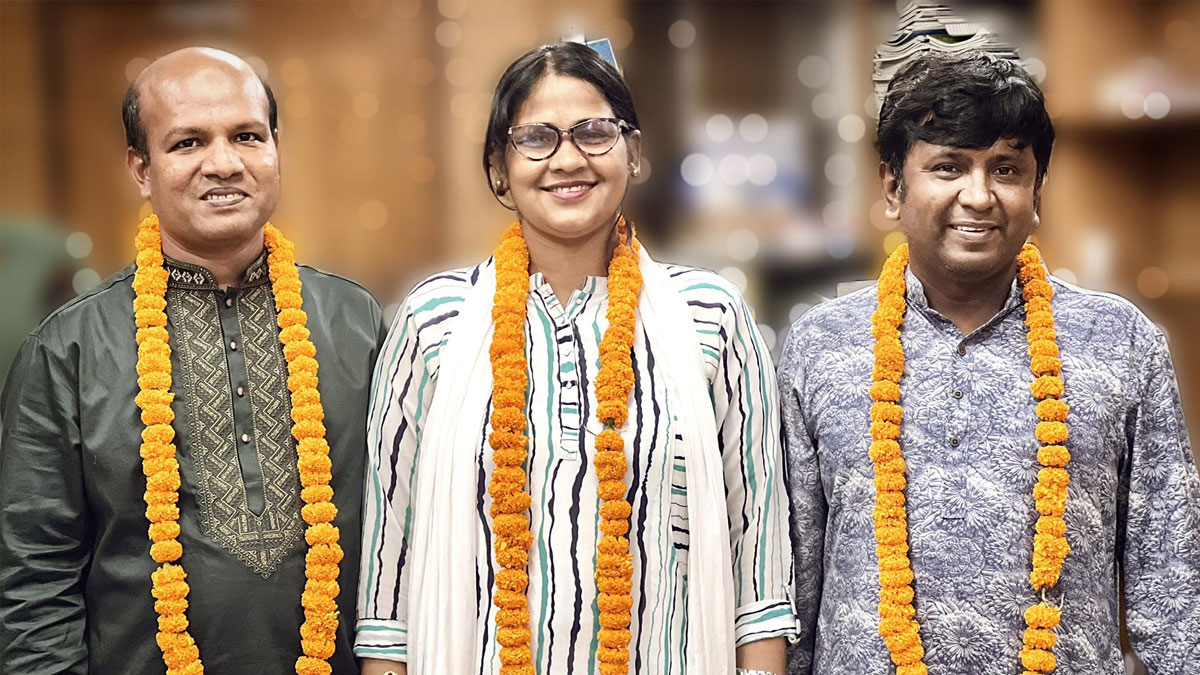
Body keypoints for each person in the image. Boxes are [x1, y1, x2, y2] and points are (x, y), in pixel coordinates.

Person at [355, 41, 795, 675]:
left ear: (633, 153)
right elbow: (387, 574)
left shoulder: (712, 316)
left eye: (594, 132)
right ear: (499, 166)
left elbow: (758, 559)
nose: (568, 159)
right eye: (536, 138)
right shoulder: (432, 323)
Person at [779, 51, 1200, 674]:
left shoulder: (1119, 340)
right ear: (893, 187)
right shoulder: (821, 345)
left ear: (1037, 191)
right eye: (948, 167)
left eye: (1006, 169)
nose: (978, 196)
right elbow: (792, 581)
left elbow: (1172, 583)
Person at [0, 47, 385, 675]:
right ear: (142, 169)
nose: (224, 163)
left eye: (247, 136)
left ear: (276, 148)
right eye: (188, 143)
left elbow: (408, 538)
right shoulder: (67, 349)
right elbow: (33, 583)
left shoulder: (357, 323)